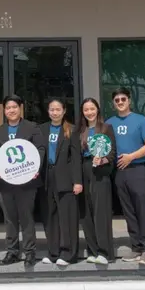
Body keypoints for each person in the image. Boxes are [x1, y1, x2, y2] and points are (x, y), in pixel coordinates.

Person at [0, 95, 45, 268]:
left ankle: (30, 252)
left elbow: (40, 149)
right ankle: (12, 251)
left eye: (14, 107)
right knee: (10, 218)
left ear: (20, 108)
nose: (11, 110)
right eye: (8, 108)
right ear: (4, 110)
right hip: (6, 183)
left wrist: (35, 168)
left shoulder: (32, 127)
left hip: (27, 181)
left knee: (26, 217)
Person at [106, 87, 145, 264]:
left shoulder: (141, 120)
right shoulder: (109, 123)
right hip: (119, 171)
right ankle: (136, 247)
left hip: (137, 169)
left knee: (141, 209)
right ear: (113, 103)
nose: (120, 102)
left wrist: (131, 157)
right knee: (128, 211)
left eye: (123, 99)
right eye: (117, 100)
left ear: (129, 100)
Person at [39, 99, 82, 266]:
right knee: (50, 216)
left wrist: (77, 181)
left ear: (64, 111)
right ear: (48, 111)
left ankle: (69, 253)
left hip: (66, 178)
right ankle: (53, 252)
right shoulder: (41, 129)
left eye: (58, 109)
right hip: (46, 177)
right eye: (52, 109)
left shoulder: (71, 129)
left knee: (67, 217)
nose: (55, 112)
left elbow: (76, 157)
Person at [76, 97, 116, 265]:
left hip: (100, 170)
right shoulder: (80, 130)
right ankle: (93, 251)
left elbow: (112, 153)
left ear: (97, 110)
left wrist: (103, 160)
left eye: (92, 109)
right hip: (84, 170)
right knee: (86, 212)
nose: (89, 112)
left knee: (101, 212)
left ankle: (105, 253)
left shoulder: (106, 128)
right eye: (86, 110)